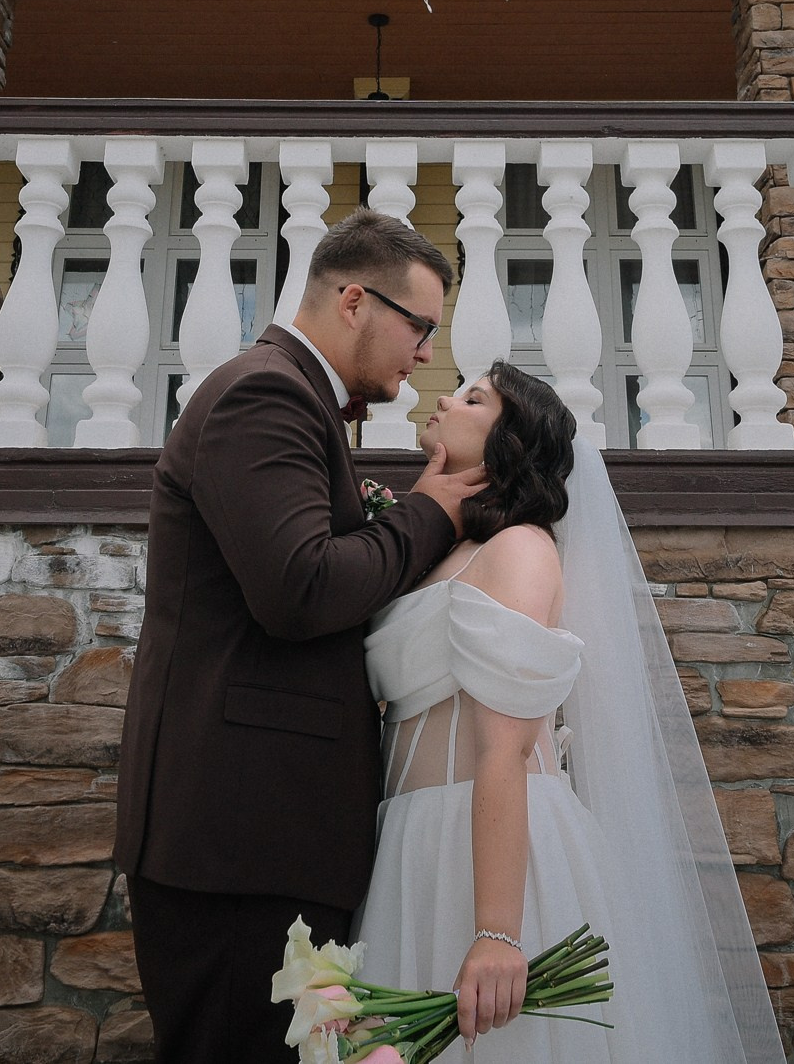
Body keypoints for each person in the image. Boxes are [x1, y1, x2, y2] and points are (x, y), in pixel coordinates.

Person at [117, 209, 489, 1064]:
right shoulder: (266, 390)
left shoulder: (302, 400)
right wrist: (434, 510)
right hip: (239, 843)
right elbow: (301, 585)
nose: (426, 354)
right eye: (420, 325)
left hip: (264, 839)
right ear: (355, 299)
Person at [355, 365, 786, 1063]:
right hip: (411, 842)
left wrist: (497, 929)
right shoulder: (444, 552)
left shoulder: (521, 550)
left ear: (509, 442)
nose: (443, 398)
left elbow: (506, 748)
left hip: (493, 851)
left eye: (472, 397)